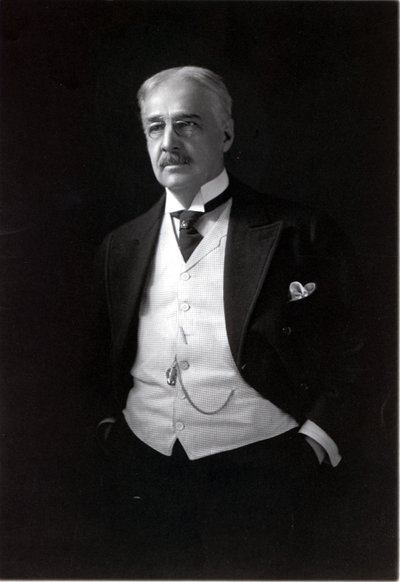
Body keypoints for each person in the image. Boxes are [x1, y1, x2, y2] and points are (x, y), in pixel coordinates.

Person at [90, 66, 365, 579]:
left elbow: (362, 351)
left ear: (227, 134)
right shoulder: (118, 245)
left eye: (187, 123)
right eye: (155, 127)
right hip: (143, 471)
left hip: (262, 475)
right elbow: (94, 354)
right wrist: (110, 429)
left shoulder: (300, 232)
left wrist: (316, 441)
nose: (168, 142)